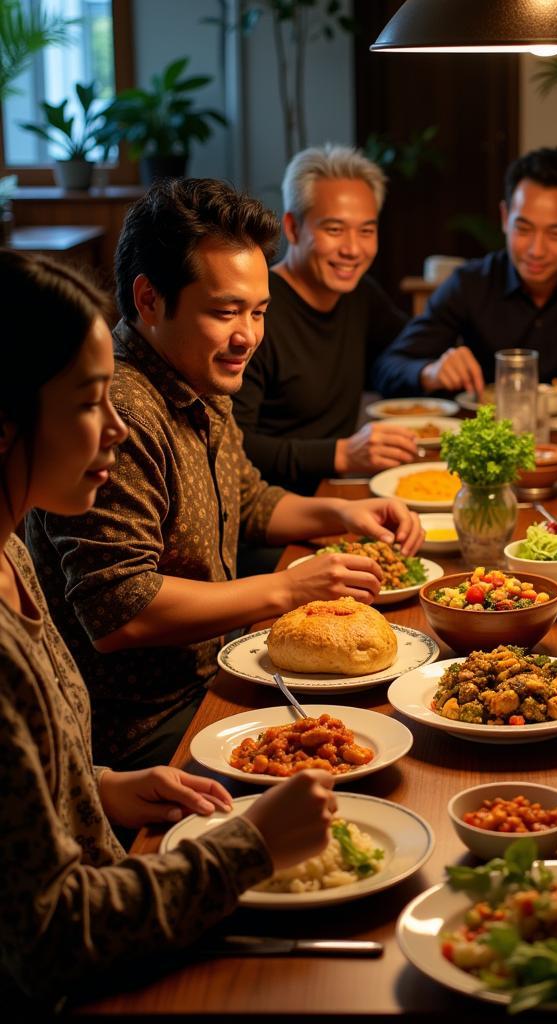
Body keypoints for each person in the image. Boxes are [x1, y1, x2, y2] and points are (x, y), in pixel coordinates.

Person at [0, 251, 339, 1007]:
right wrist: (248, 850)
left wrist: (101, 790)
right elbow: (49, 939)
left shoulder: (11, 551)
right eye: (91, 403)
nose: (115, 428)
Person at [26, 178, 423, 771]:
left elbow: (249, 497)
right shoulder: (120, 413)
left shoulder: (199, 373)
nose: (248, 337)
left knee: (398, 708)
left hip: (221, 674)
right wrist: (290, 587)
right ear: (149, 300)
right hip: (144, 731)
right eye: (225, 311)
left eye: (259, 312)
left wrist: (342, 513)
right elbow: (119, 610)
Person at [373, 146, 557, 402]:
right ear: (504, 218)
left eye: (556, 232)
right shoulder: (471, 283)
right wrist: (430, 372)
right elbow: (388, 367)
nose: (536, 250)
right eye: (523, 229)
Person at [233, 145, 416, 495]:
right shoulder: (256, 310)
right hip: (266, 512)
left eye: (366, 231)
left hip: (332, 493)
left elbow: (403, 348)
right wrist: (340, 454)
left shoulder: (361, 296)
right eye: (334, 230)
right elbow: (233, 445)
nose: (352, 249)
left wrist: (428, 370)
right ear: (292, 227)